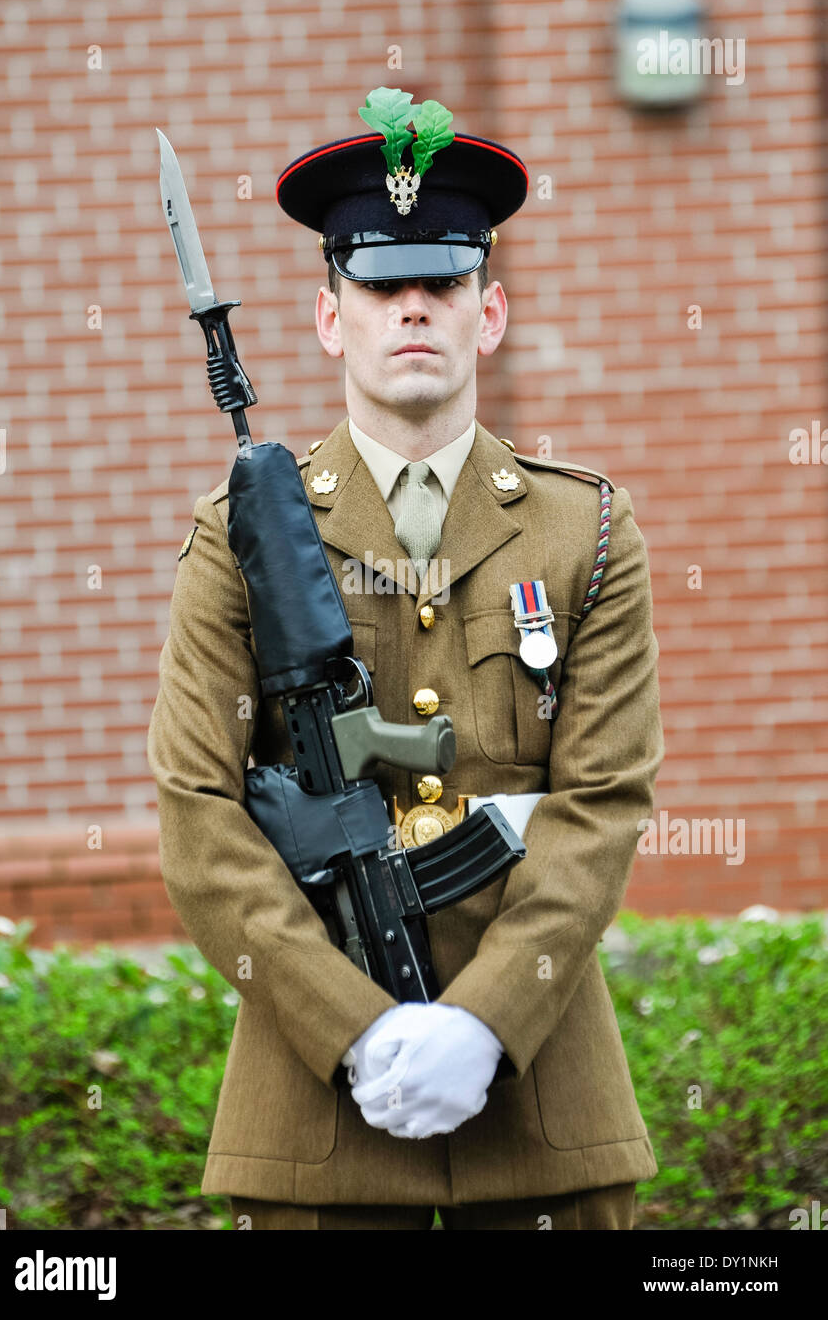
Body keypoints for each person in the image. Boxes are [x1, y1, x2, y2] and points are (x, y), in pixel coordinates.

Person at [146, 87, 664, 1231]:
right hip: (320, 1131)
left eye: (444, 282)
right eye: (381, 285)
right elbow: (196, 807)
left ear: (489, 315)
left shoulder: (583, 529)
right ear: (332, 317)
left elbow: (605, 796)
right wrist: (355, 1023)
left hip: (541, 1116)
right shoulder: (239, 535)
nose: (413, 309)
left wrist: (481, 1018)